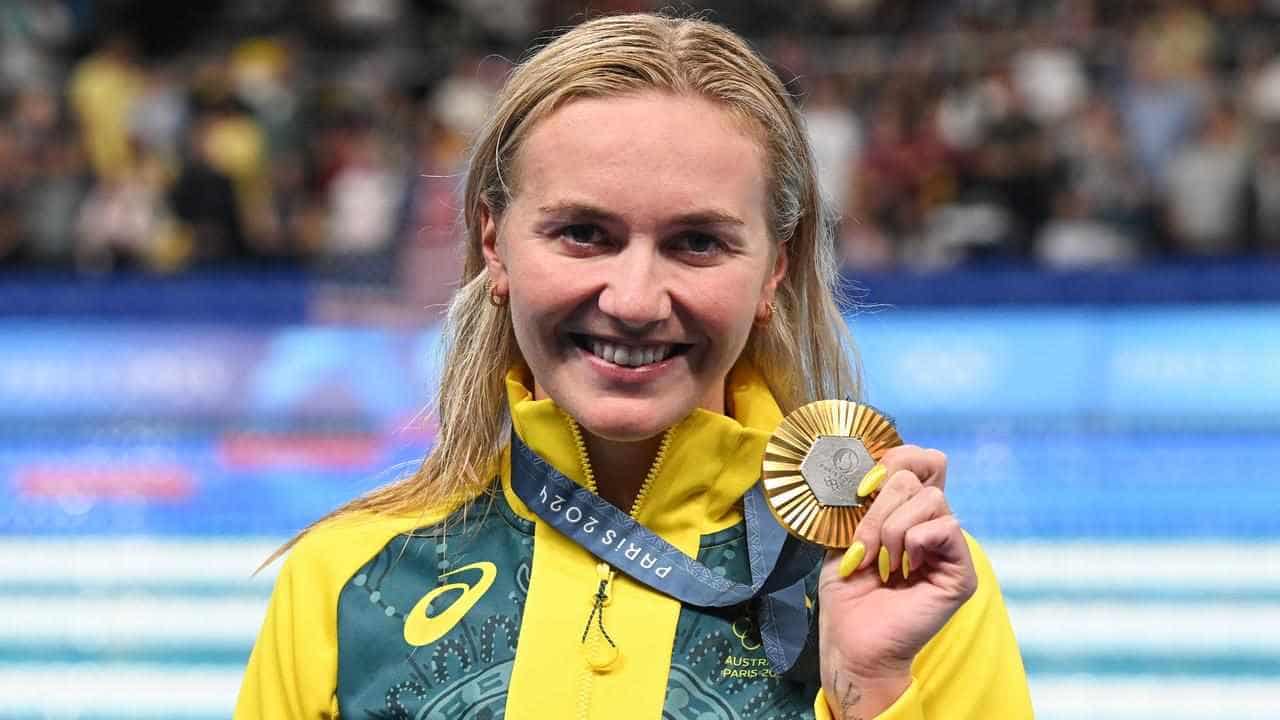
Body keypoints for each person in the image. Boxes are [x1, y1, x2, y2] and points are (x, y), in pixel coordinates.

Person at [236, 14, 1033, 719]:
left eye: (697, 242)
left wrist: (874, 689)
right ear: (493, 241)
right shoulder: (347, 583)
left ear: (775, 270)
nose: (636, 299)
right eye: (583, 233)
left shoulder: (907, 582)